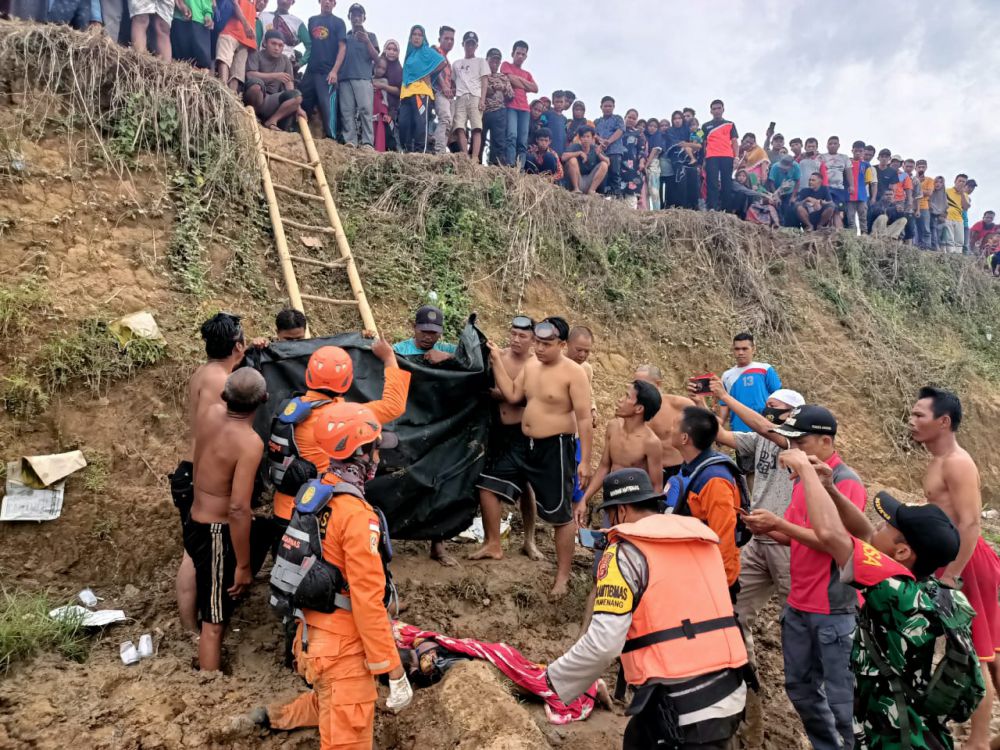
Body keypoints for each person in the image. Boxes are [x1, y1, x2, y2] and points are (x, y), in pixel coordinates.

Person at [782, 449, 984, 749]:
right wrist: (830, 488)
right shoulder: (921, 587)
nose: (876, 525)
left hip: (894, 736)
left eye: (886, 525)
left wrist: (805, 471)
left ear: (902, 552)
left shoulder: (891, 590)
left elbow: (829, 534)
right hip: (916, 727)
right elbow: (864, 531)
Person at [549, 469, 748, 749]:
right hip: (731, 688)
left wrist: (552, 681)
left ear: (620, 511)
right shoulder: (701, 540)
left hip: (683, 704)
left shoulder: (624, 553)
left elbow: (603, 644)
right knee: (637, 737)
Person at [261, 404, 414, 745]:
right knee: (349, 726)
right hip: (342, 648)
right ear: (361, 453)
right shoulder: (358, 517)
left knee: (329, 698)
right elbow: (367, 602)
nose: (378, 456)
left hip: (310, 637)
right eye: (375, 448)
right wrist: (392, 669)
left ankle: (274, 717)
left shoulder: (318, 493)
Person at [742, 404, 866, 750]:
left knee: (843, 700)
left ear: (826, 441)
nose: (793, 449)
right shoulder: (804, 480)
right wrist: (769, 527)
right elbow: (800, 533)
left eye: (801, 442)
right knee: (800, 688)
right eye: (791, 441)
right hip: (799, 603)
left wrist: (780, 525)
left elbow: (833, 542)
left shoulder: (843, 482)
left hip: (832, 608)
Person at [909, 386, 1000, 749]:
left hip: (967, 561)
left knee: (972, 651)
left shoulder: (957, 462)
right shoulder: (938, 459)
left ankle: (977, 741)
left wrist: (952, 574)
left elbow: (970, 523)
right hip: (957, 559)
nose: (911, 421)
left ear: (943, 422)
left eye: (919, 415)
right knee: (989, 649)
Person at [692, 379, 804, 667]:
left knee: (797, 618)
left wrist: (726, 397)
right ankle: (745, 675)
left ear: (793, 413)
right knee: (734, 611)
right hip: (757, 541)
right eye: (766, 406)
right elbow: (722, 435)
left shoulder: (798, 442)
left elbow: (765, 427)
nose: (767, 411)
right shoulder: (760, 440)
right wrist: (702, 405)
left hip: (788, 543)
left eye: (774, 407)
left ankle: (806, 682)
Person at [489, 317, 593, 598]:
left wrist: (585, 461)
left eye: (547, 344)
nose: (540, 349)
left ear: (562, 345)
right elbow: (511, 394)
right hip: (526, 444)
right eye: (537, 342)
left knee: (560, 514)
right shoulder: (532, 365)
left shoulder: (574, 373)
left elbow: (584, 418)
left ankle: (562, 576)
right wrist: (496, 360)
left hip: (557, 448)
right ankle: (492, 544)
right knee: (489, 483)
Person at [267, 339, 409, 537]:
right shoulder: (344, 416)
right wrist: (388, 358)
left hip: (283, 509)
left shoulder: (289, 408)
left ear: (308, 375)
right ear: (347, 380)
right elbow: (394, 405)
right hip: (316, 513)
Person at [172, 313, 249, 635]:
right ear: (237, 345)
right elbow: (224, 439)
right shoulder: (222, 383)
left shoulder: (204, 373)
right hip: (202, 477)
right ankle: (199, 629)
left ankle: (190, 627)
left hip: (191, 470)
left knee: (193, 552)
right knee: (195, 556)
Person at [186, 367, 268, 671]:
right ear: (264, 400)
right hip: (215, 533)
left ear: (224, 396)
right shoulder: (249, 442)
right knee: (214, 622)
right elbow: (237, 508)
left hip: (194, 520)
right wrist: (244, 567)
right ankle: (208, 683)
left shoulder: (209, 414)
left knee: (208, 593)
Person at [471, 316, 540, 562]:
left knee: (526, 488)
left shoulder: (536, 364)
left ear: (533, 340)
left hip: (523, 433)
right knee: (486, 481)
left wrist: (505, 395)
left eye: (522, 336)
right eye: (513, 334)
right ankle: (492, 541)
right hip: (495, 429)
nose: (516, 340)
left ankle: (529, 541)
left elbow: (535, 398)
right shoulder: (497, 356)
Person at [668, 406, 743, 598]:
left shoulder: (714, 480)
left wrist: (721, 587)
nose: (669, 429)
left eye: (675, 425)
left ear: (685, 438)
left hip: (712, 580)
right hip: (691, 566)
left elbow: (725, 535)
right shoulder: (691, 467)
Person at [578, 381, 663, 524]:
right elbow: (604, 467)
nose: (620, 400)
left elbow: (657, 486)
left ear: (639, 409)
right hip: (612, 503)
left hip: (635, 510)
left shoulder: (651, 443)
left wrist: (649, 522)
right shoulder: (613, 427)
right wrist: (584, 499)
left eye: (627, 397)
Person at [633, 364, 694, 484]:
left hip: (675, 470)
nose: (638, 389)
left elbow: (708, 429)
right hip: (645, 472)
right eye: (635, 385)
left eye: (643, 385)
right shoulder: (631, 409)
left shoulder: (679, 405)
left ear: (658, 384)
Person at [301, 0, 346, 140]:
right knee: (303, 100)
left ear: (334, 4)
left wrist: (334, 71)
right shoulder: (312, 20)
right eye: (325, 0)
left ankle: (331, 137)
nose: (327, 2)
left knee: (327, 105)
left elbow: (342, 47)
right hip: (310, 69)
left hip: (327, 71)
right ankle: (300, 131)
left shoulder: (338, 22)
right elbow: (307, 44)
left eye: (331, 1)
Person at [719, 332, 782, 433]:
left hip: (765, 429)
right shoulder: (727, 376)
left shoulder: (765, 369)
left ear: (753, 349)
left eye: (744, 349)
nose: (740, 352)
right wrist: (720, 428)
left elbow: (779, 397)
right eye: (737, 349)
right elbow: (724, 404)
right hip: (739, 431)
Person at [397, 25, 445, 154]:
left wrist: (429, 73)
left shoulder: (426, 51)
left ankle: (419, 153)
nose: (417, 37)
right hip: (406, 92)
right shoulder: (410, 54)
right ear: (410, 37)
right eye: (414, 35)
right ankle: (407, 150)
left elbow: (442, 62)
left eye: (419, 35)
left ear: (423, 37)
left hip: (421, 92)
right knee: (403, 123)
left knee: (420, 123)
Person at [337, 3, 378, 149]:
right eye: (353, 15)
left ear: (364, 17)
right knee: (346, 111)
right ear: (349, 17)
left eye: (359, 15)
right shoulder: (345, 37)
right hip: (345, 78)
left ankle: (367, 142)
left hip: (363, 78)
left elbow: (377, 59)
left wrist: (367, 41)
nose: (356, 18)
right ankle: (351, 141)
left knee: (366, 110)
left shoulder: (371, 36)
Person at [245, 32, 304, 131]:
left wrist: (299, 108)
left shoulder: (285, 60)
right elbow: (250, 75)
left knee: (297, 97)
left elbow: (289, 85)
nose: (277, 48)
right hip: (257, 97)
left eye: (280, 45)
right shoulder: (256, 55)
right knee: (256, 86)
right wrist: (275, 76)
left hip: (272, 100)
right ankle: (253, 117)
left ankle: (272, 121)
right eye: (273, 43)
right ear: (265, 43)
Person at [451, 31, 489, 159]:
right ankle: (465, 156)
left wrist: (482, 100)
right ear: (463, 44)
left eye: (473, 44)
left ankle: (474, 158)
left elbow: (485, 82)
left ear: (476, 46)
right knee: (459, 127)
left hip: (475, 96)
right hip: (460, 96)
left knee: (476, 127)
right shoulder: (456, 64)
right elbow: (452, 82)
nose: (470, 46)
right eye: (468, 43)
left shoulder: (481, 61)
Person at [501, 41, 538, 169]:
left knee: (522, 141)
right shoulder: (506, 65)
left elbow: (535, 88)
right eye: (518, 53)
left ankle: (520, 170)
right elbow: (509, 78)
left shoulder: (527, 73)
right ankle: (511, 167)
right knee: (511, 136)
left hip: (525, 109)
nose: (520, 56)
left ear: (526, 56)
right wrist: (524, 83)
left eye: (523, 54)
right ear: (512, 53)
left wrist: (519, 80)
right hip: (511, 106)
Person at [702, 99, 739, 212]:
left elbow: (734, 141)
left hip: (727, 156)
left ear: (723, 109)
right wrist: (703, 159)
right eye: (714, 109)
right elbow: (703, 143)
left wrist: (736, 157)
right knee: (712, 182)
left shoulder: (730, 124)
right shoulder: (705, 126)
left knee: (726, 182)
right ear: (711, 111)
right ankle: (712, 207)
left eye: (719, 108)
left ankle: (726, 209)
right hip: (711, 156)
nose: (717, 111)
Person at [215, 0, 259, 92]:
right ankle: (222, 90)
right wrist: (246, 25)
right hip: (230, 31)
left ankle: (231, 98)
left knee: (237, 72)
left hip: (245, 39)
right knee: (224, 60)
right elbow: (234, 3)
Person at [481, 48, 513, 165]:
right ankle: (476, 164)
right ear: (486, 60)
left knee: (498, 142)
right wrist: (493, 88)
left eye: (497, 61)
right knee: (480, 139)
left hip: (499, 112)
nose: (495, 63)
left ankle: (495, 167)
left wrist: (504, 88)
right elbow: (478, 91)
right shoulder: (481, 75)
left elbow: (511, 96)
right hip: (483, 111)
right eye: (492, 60)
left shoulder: (503, 77)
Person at [257, 0, 309, 66]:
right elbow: (256, 42)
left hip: (286, 65)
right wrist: (255, 62)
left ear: (292, 2)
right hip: (263, 63)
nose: (284, 1)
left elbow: (310, 47)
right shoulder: (263, 16)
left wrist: (300, 64)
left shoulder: (298, 23)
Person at [561, 126, 609, 195]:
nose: (585, 139)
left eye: (588, 136)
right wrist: (578, 153)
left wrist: (599, 155)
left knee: (604, 164)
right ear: (580, 138)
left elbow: (608, 162)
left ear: (592, 138)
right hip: (578, 179)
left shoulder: (595, 148)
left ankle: (591, 191)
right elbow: (563, 157)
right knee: (572, 160)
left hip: (589, 181)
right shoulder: (575, 146)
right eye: (583, 137)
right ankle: (576, 189)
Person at [430, 26, 455, 155]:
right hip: (438, 91)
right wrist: (444, 86)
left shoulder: (448, 60)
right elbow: (434, 68)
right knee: (445, 118)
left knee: (449, 122)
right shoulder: (435, 50)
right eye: (446, 38)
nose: (449, 41)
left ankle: (438, 144)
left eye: (452, 39)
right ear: (440, 38)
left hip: (447, 95)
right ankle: (439, 150)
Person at [594, 96, 625, 198]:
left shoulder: (618, 118)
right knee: (602, 175)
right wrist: (600, 140)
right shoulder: (597, 121)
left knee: (615, 174)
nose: (607, 108)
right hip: (601, 152)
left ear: (613, 107)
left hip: (615, 151)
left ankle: (617, 199)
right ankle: (602, 197)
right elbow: (593, 134)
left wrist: (608, 141)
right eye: (605, 106)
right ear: (601, 107)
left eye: (610, 106)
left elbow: (620, 130)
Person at [376, 40, 403, 149]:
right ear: (384, 50)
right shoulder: (378, 65)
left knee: (390, 135)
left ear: (398, 53)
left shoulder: (399, 70)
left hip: (391, 108)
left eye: (395, 50)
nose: (391, 52)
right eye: (389, 49)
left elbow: (399, 91)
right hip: (376, 106)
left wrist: (383, 86)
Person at [171, 0, 212, 70]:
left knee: (202, 61)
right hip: (180, 17)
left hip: (200, 21)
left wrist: (208, 14)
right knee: (180, 58)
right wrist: (181, 5)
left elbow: (208, 2)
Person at [846, 140, 876, 234]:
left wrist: (860, 188)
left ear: (863, 152)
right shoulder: (848, 163)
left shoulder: (866, 165)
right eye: (856, 151)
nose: (858, 153)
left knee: (863, 217)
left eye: (860, 151)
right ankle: (853, 236)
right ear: (852, 151)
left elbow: (868, 181)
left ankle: (864, 235)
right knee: (850, 217)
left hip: (862, 196)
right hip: (849, 196)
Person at [820, 136, 851, 228]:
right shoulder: (822, 157)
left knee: (838, 211)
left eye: (835, 143)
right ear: (827, 145)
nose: (832, 145)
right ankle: (824, 229)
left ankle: (839, 232)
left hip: (839, 188)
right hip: (825, 188)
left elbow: (849, 172)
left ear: (839, 145)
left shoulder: (844, 157)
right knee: (827, 209)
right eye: (830, 144)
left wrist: (851, 185)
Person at [619, 109, 645, 205]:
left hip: (633, 168)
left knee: (631, 194)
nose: (631, 120)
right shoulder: (618, 131)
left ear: (636, 121)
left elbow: (641, 150)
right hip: (618, 165)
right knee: (617, 193)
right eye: (629, 117)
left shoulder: (639, 134)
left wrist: (642, 162)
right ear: (625, 117)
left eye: (634, 119)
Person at [941, 173, 971, 253]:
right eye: (959, 181)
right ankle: (950, 255)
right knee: (949, 239)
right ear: (955, 181)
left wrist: (962, 194)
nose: (961, 183)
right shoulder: (946, 191)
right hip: (947, 218)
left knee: (960, 241)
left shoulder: (965, 195)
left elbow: (965, 207)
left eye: (963, 182)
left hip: (959, 219)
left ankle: (958, 256)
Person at [767, 154, 801, 223]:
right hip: (775, 189)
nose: (782, 169)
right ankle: (777, 223)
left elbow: (797, 181)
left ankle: (786, 224)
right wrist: (776, 196)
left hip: (789, 191)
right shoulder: (775, 167)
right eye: (781, 167)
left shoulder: (796, 167)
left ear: (791, 166)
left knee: (788, 207)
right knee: (777, 205)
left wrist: (793, 196)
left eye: (785, 168)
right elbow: (771, 182)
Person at [914, 159, 936, 249]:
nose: (921, 169)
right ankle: (915, 246)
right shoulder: (912, 178)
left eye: (923, 167)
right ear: (915, 168)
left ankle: (926, 247)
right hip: (912, 206)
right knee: (913, 228)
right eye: (919, 167)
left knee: (925, 229)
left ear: (926, 168)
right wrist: (922, 191)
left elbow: (929, 193)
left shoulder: (930, 180)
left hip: (924, 206)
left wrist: (916, 190)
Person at [546, 90, 569, 157]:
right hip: (549, 150)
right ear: (553, 102)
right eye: (557, 102)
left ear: (564, 103)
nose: (559, 104)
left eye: (561, 102)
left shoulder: (564, 119)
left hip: (562, 151)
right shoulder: (547, 114)